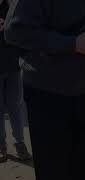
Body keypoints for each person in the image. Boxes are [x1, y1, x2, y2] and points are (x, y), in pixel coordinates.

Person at [4, 0, 85, 179]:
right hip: (48, 96)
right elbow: (15, 32)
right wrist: (73, 44)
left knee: (84, 164)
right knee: (53, 169)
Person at [0, 0, 31, 163]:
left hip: (13, 66)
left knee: (15, 108)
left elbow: (24, 31)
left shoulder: (13, 6)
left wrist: (11, 26)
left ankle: (20, 143)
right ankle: (1, 146)